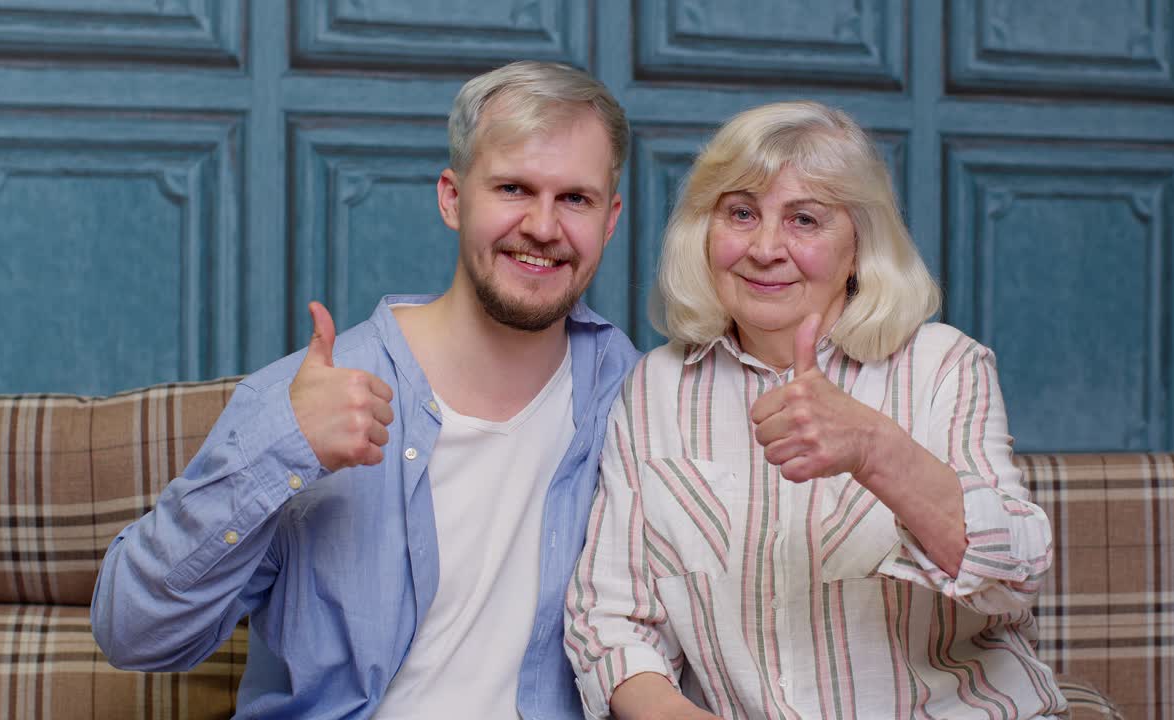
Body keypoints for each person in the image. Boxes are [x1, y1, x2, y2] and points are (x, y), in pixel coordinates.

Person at [91, 60, 639, 719]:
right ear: (452, 198)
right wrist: (279, 446)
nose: (544, 227)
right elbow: (131, 634)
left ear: (610, 219)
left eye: (575, 199)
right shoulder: (308, 398)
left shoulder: (635, 398)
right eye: (513, 188)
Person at [565, 101, 1067, 719]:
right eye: (741, 213)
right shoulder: (654, 388)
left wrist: (874, 449)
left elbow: (1015, 574)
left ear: (859, 246)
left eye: (805, 220)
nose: (765, 248)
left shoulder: (944, 365)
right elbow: (611, 618)